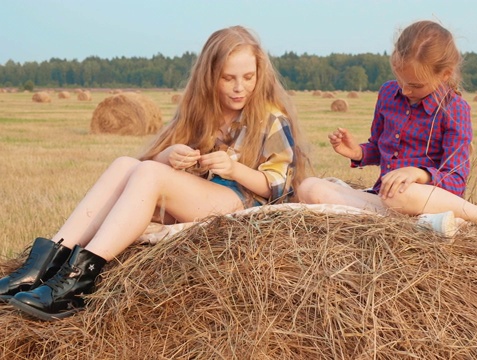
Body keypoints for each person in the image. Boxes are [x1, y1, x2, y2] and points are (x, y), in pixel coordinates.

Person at [0, 25, 309, 321]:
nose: (239, 87)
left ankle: (77, 283)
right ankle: (40, 266)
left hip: (243, 204)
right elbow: (147, 163)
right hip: (201, 197)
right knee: (126, 165)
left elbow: (279, 188)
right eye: (228, 78)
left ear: (260, 75)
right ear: (210, 76)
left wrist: (236, 169)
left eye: (248, 77)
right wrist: (168, 155)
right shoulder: (201, 111)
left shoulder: (270, 118)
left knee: (149, 174)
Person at [296, 20, 477, 240]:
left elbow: (456, 179)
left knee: (399, 194)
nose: (406, 90)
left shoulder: (455, 109)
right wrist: (357, 152)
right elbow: (380, 148)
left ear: (445, 74)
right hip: (384, 199)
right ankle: (424, 225)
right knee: (309, 188)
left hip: (425, 198)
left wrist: (419, 174)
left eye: (416, 85)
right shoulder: (388, 93)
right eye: (401, 80)